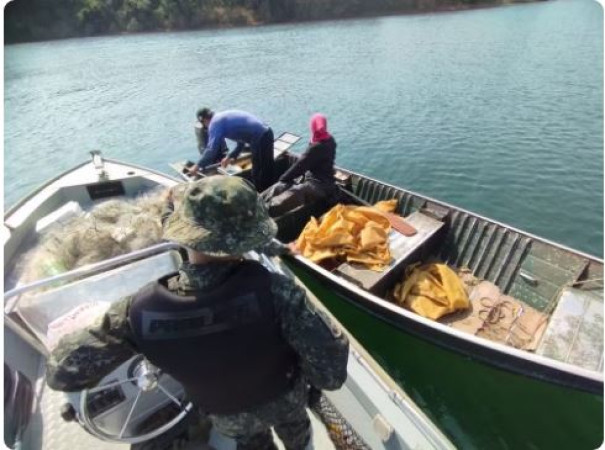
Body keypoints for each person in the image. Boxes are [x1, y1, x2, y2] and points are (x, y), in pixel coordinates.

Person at [45, 176, 349, 450]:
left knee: (252, 443)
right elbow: (331, 372)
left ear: (181, 234)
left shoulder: (136, 312)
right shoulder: (279, 292)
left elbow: (62, 371)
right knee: (298, 436)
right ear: (249, 239)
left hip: (227, 416)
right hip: (287, 401)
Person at [262, 113, 339, 218]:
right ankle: (258, 204)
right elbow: (306, 163)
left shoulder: (317, 146)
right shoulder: (329, 139)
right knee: (280, 186)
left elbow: (301, 165)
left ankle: (261, 212)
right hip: (317, 180)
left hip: (320, 186)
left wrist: (283, 178)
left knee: (287, 196)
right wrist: (284, 180)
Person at [187, 110, 275, 191]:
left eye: (204, 125)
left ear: (205, 120)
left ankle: (262, 196)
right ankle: (270, 190)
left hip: (260, 138)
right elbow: (241, 144)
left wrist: (197, 166)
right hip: (267, 133)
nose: (206, 127)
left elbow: (211, 150)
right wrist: (229, 157)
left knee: (259, 172)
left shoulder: (215, 123)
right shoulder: (222, 118)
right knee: (267, 167)